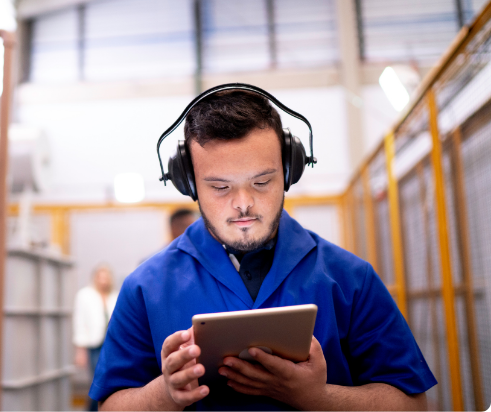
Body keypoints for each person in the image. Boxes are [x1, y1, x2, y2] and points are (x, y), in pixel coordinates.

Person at [90, 86, 436, 410]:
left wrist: (319, 397)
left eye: (262, 181)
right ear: (188, 183)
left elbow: (412, 404)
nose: (243, 204)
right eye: (220, 187)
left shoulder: (350, 278)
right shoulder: (145, 287)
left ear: (289, 171)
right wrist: (165, 393)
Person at [73, 264, 118, 411]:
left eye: (106, 277)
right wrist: (80, 350)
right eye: (101, 277)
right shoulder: (85, 295)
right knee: (97, 382)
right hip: (93, 345)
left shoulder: (115, 296)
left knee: (108, 381)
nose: (103, 281)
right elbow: (80, 322)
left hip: (110, 345)